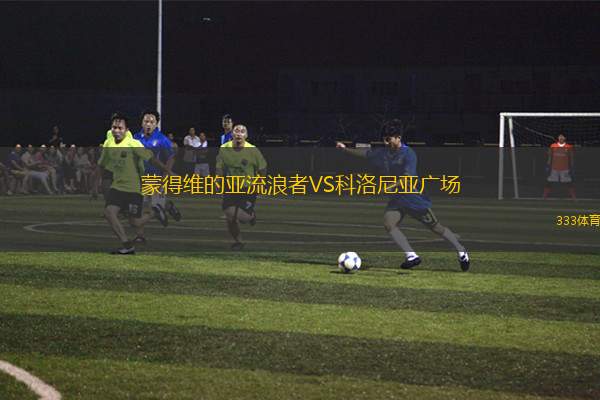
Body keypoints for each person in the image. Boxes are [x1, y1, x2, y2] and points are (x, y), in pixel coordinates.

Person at [336, 119, 470, 271]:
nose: (386, 142)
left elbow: (408, 178)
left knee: (436, 228)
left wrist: (389, 187)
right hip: (397, 200)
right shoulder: (383, 152)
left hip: (414, 199)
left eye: (389, 139)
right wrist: (345, 149)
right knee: (389, 223)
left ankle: (461, 251)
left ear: (398, 138)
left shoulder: (408, 154)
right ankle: (411, 256)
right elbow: (366, 153)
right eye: (384, 139)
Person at [98, 112, 172, 254]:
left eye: (120, 128)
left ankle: (155, 212)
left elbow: (151, 159)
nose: (116, 130)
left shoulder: (133, 143)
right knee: (109, 212)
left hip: (133, 189)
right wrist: (97, 183)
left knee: (135, 223)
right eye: (114, 127)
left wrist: (167, 171)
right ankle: (127, 245)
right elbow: (102, 164)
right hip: (117, 187)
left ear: (126, 130)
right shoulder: (109, 143)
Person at [215, 124, 267, 250]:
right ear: (232, 134)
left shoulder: (253, 150)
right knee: (230, 216)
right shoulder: (224, 149)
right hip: (231, 187)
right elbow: (219, 167)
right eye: (236, 131)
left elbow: (263, 168)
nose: (239, 133)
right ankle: (238, 241)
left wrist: (262, 182)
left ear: (246, 135)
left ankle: (251, 215)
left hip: (248, 188)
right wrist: (218, 181)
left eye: (242, 131)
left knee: (242, 217)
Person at [132, 110, 182, 241]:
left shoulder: (161, 139)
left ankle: (165, 207)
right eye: (146, 121)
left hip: (156, 177)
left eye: (151, 122)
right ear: (141, 122)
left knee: (153, 206)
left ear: (156, 124)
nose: (148, 124)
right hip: (139, 178)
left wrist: (164, 177)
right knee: (142, 206)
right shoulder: (135, 137)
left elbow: (171, 158)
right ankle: (140, 235)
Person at [543, 133, 576, 200]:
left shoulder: (569, 146)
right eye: (560, 136)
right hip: (554, 169)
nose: (561, 138)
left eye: (562, 137)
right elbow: (550, 157)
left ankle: (574, 198)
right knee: (549, 182)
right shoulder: (553, 146)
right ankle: (544, 197)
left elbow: (571, 158)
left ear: (565, 138)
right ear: (558, 138)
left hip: (565, 169)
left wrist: (572, 167)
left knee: (569, 183)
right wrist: (548, 165)